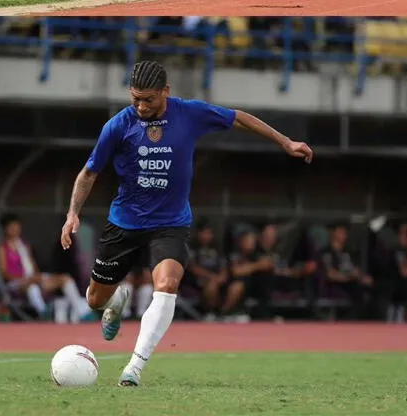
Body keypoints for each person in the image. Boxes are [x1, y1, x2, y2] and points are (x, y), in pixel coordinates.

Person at [60, 60, 313, 387]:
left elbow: (239, 117)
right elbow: (89, 172)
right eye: (135, 98)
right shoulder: (118, 126)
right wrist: (72, 213)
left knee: (166, 285)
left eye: (148, 99)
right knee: (94, 299)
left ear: (166, 91)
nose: (140, 105)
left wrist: (285, 142)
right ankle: (115, 301)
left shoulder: (189, 114)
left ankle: (134, 368)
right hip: (124, 222)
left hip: (170, 223)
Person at [0, 214, 92, 322]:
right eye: (12, 227)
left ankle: (82, 311)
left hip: (33, 279)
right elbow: (4, 272)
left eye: (17, 226)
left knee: (65, 278)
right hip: (16, 283)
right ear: (6, 229)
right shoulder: (3, 247)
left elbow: (32, 266)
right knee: (32, 288)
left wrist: (36, 277)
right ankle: (43, 312)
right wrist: (25, 279)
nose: (15, 229)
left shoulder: (24, 244)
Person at [184, 220, 228, 320]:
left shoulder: (217, 248)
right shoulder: (192, 247)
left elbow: (224, 267)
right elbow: (192, 267)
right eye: (203, 233)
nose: (205, 236)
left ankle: (224, 312)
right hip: (197, 281)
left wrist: (221, 277)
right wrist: (210, 276)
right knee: (211, 285)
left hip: (217, 280)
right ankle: (210, 312)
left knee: (236, 286)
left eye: (208, 233)